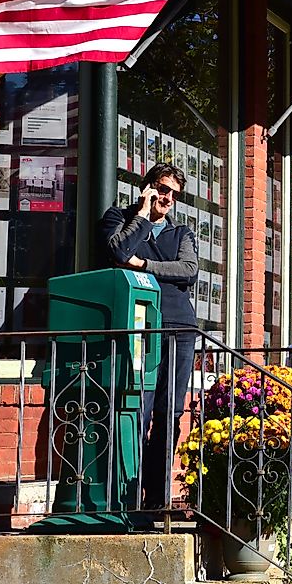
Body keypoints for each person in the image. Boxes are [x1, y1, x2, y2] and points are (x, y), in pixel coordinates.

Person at [101, 162, 200, 510]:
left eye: (173, 193)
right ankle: (126, 494)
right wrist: (141, 216)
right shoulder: (119, 218)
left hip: (179, 328)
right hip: (138, 325)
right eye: (162, 188)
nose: (167, 197)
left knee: (169, 411)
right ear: (147, 187)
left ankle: (156, 498)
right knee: (135, 407)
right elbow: (116, 251)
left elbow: (188, 270)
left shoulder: (181, 234)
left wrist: (143, 265)